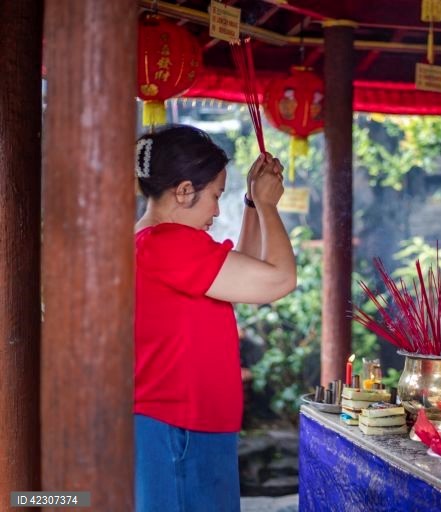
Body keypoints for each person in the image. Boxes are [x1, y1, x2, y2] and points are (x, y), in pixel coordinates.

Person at [133, 125, 296, 512]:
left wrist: (254, 205)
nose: (218, 210)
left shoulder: (155, 242)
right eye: (216, 196)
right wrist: (270, 206)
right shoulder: (167, 243)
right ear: (184, 190)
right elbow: (280, 279)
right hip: (178, 425)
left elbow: (248, 277)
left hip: (185, 423)